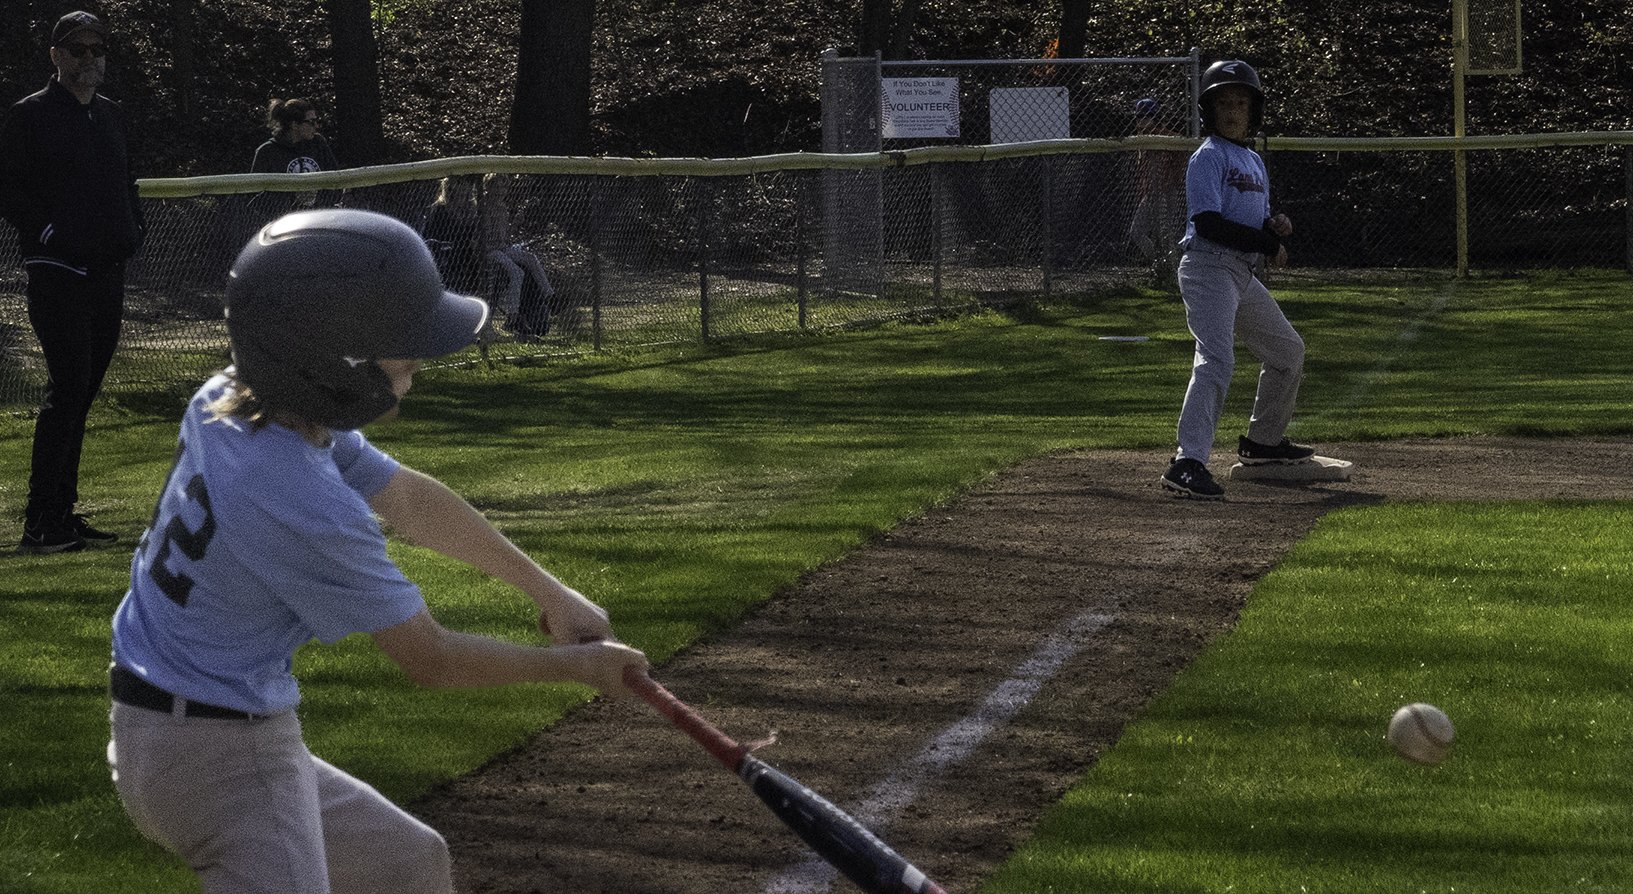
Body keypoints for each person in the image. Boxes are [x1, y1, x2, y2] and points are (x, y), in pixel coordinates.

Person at [105, 208, 648, 893]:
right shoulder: (298, 497)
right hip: (220, 756)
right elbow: (433, 660)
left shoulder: (239, 399)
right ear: (334, 361)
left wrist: (550, 593)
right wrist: (577, 669)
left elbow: (410, 499)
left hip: (175, 724)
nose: (417, 358)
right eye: (399, 345)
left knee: (404, 865)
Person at [0, 10, 146, 553]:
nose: (90, 59)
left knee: (83, 392)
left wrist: (133, 226)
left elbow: (126, 179)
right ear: (56, 56)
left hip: (107, 271)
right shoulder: (30, 116)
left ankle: (62, 513)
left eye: (97, 50)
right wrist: (53, 234)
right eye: (78, 50)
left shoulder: (110, 115)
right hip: (57, 272)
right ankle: (40, 522)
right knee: (68, 388)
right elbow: (11, 191)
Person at [1160, 60, 1319, 500]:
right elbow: (1209, 223)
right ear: (1210, 111)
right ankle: (1187, 462)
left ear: (1254, 112)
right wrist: (1268, 245)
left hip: (1240, 273)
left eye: (1241, 103)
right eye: (1224, 103)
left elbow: (1251, 220)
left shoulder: (1250, 159)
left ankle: (1263, 443)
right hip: (1209, 267)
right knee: (1216, 361)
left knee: (1287, 350)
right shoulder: (1207, 156)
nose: (1233, 111)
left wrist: (1275, 227)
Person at [422, 174, 558, 340]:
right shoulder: (441, 210)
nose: (465, 190)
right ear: (451, 188)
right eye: (460, 185)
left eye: (466, 186)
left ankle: (518, 315)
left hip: (473, 255)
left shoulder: (474, 208)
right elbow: (431, 238)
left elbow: (489, 235)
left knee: (517, 268)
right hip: (451, 257)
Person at [1125, 97, 1186, 273]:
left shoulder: (1165, 136)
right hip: (1150, 193)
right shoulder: (1141, 140)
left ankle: (1172, 269)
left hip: (1166, 191)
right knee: (1139, 232)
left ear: (1156, 118)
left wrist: (1172, 179)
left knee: (1164, 233)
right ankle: (1163, 264)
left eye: (1147, 117)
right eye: (1140, 117)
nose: (1142, 121)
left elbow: (1180, 151)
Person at [251, 98, 340, 173]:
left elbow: (335, 179)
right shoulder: (267, 151)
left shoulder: (318, 144)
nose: (316, 126)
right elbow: (254, 189)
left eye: (316, 121)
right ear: (294, 125)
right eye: (311, 122)